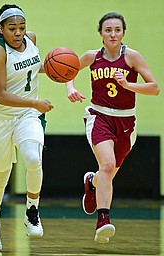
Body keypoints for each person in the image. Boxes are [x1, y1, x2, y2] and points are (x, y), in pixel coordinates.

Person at [66, 12, 160, 243]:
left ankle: (91, 183)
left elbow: (155, 87)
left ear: (123, 32)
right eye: (108, 30)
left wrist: (128, 84)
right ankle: (103, 220)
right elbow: (68, 71)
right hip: (99, 117)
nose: (113, 34)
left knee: (107, 173)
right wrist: (70, 88)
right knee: (107, 165)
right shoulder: (92, 56)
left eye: (117, 29)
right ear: (101, 33)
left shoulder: (132, 57)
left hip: (126, 121)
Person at [0, 4, 54, 251]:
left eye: (21, 27)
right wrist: (35, 101)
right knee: (0, 177)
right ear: (2, 28)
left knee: (34, 158)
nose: (18, 33)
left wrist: (61, 71)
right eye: (12, 28)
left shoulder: (31, 40)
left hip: (27, 115)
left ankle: (32, 210)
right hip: (0, 118)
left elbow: (33, 69)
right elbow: (0, 94)